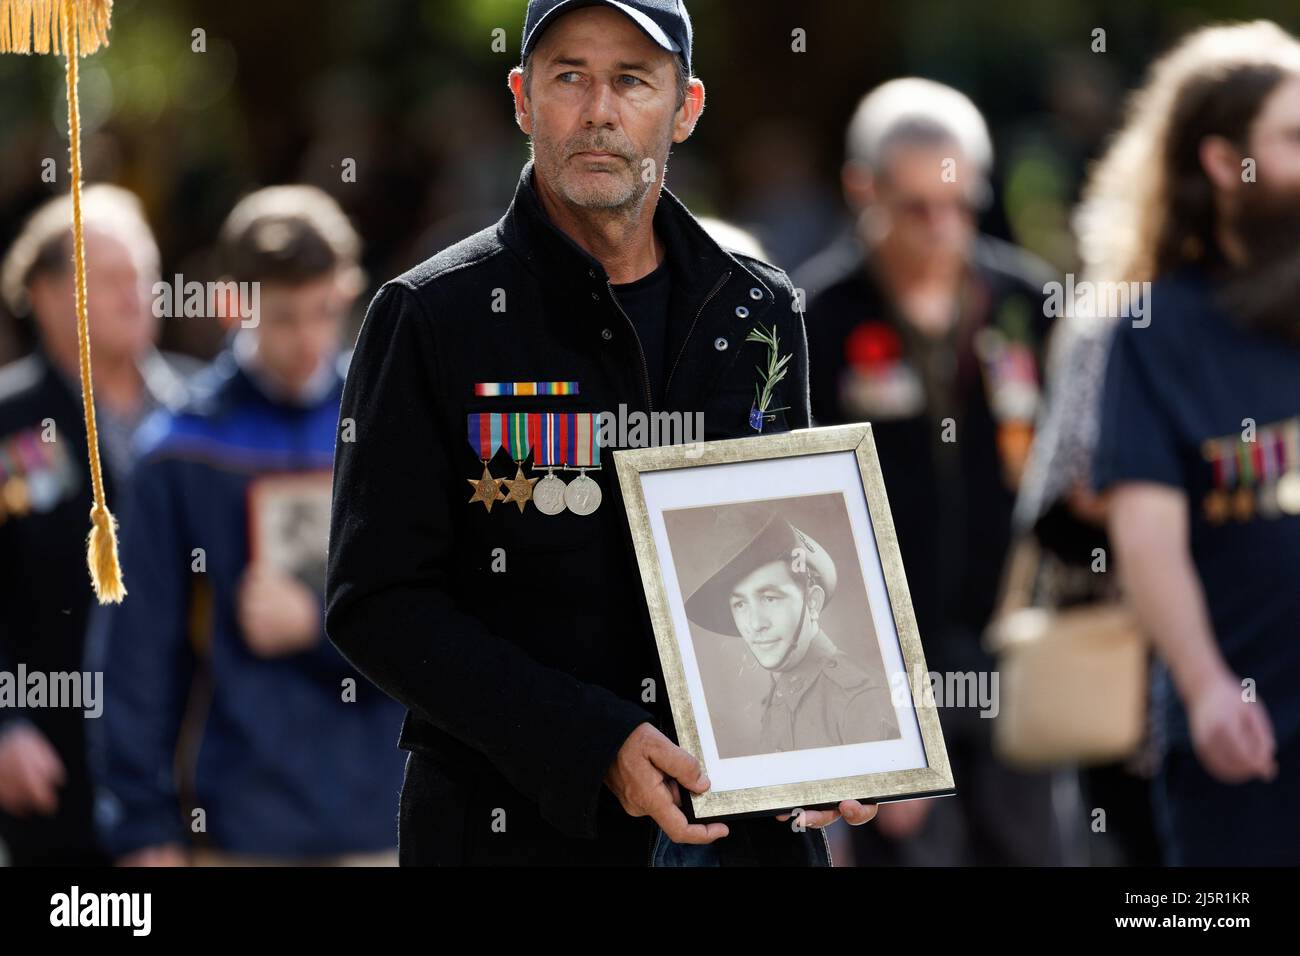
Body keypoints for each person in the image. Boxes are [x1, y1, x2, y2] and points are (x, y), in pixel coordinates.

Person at [326, 0, 877, 867]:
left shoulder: (759, 307)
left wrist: (842, 737)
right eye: (568, 77)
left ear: (686, 108)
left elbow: (796, 543)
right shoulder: (431, 317)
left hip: (743, 840)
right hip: (515, 833)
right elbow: (377, 603)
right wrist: (595, 744)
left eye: (631, 80)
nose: (598, 110)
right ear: (522, 99)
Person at [89, 185, 406, 866]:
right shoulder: (179, 449)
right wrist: (143, 826)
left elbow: (438, 613)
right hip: (238, 823)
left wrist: (319, 619)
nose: (307, 340)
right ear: (234, 305)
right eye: (284, 317)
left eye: (325, 312)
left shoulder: (391, 425)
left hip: (388, 815)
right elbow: (137, 652)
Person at [797, 78, 1070, 866]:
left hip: (1014, 651)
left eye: (960, 203)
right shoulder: (814, 316)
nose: (942, 227)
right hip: (884, 670)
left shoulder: (1024, 301)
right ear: (863, 189)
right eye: (915, 206)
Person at [1091, 20, 1300, 866]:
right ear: (1223, 163)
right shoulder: (1154, 329)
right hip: (1246, 748)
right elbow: (1145, 533)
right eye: (1292, 137)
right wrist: (1209, 687)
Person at [0, 186, 192, 865]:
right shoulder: (10, 424)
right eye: (108, 280)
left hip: (203, 776)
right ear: (49, 295)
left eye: (143, 275)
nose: (134, 294)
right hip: (58, 781)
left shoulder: (204, 415)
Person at [683, 509, 900, 753]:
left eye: (770, 598)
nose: (755, 624)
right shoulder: (778, 698)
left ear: (812, 602)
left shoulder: (861, 701)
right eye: (740, 604)